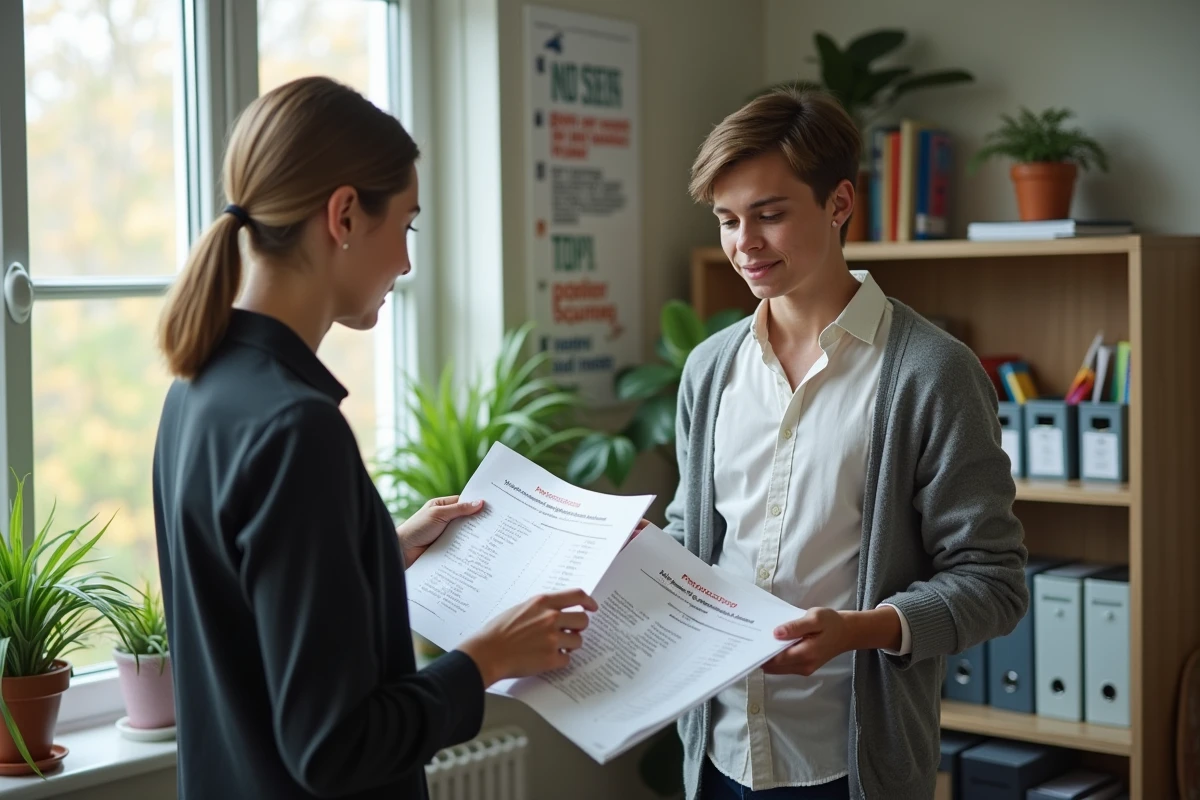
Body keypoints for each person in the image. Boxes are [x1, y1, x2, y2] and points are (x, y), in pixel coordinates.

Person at [152, 76, 598, 800]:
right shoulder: (297, 428)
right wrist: (484, 659)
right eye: (408, 226)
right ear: (346, 215)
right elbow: (333, 750)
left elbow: (246, 607)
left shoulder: (199, 389)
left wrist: (375, 554)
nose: (407, 262)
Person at [663, 87, 1029, 800]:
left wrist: (862, 629)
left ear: (838, 204)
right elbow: (693, 535)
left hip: (850, 764)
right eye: (728, 220)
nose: (745, 244)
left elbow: (994, 581)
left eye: (769, 215)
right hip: (717, 751)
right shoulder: (709, 369)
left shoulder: (931, 372)